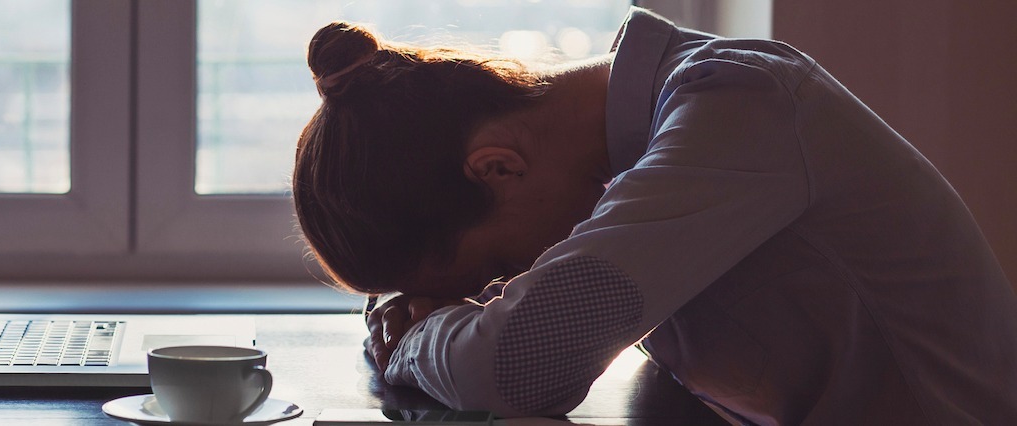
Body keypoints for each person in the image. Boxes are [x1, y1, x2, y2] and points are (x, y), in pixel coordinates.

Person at [292, 7, 1017, 424]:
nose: (504, 288)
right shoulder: (647, 150)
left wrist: (417, 339)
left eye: (492, 271)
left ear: (497, 167)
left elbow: (515, 363)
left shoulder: (739, 108)